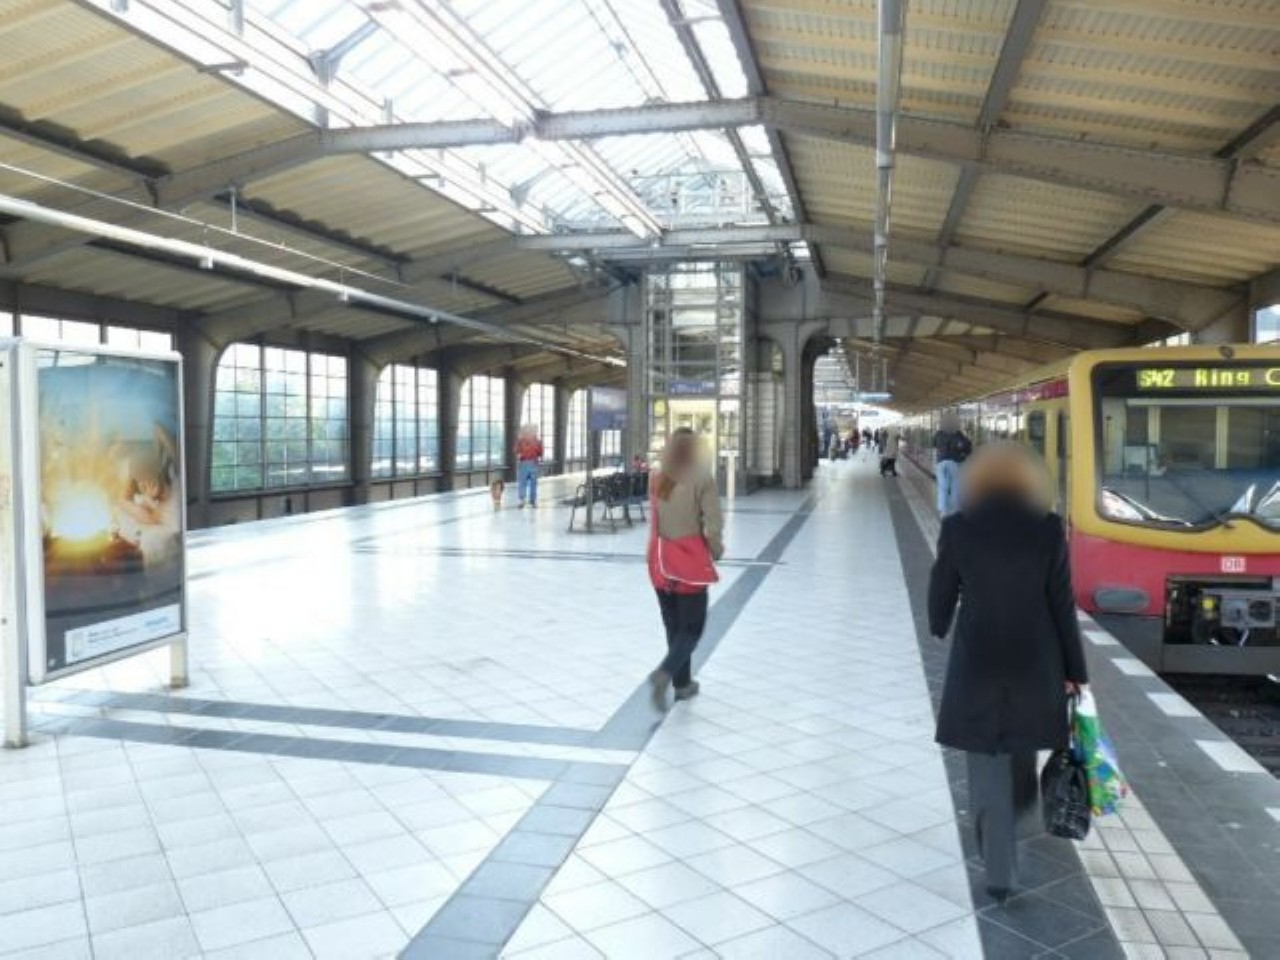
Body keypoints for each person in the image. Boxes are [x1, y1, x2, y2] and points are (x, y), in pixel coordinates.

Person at [928, 442, 1088, 901]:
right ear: (1029, 482)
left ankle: (999, 862)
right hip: (1035, 657)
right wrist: (1076, 670)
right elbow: (1062, 603)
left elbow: (941, 591)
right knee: (1021, 750)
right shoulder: (1048, 529)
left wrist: (939, 622)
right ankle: (1016, 813)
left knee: (985, 760)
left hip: (978, 657)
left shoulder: (958, 527)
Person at [647, 428, 723, 709]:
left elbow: (658, 518)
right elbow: (713, 523)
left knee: (674, 627)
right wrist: (715, 550)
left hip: (660, 564)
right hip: (688, 565)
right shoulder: (702, 478)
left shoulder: (661, 477)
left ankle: (682, 685)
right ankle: (665, 673)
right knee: (692, 629)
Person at [934, 413, 973, 517]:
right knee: (955, 487)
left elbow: (934, 444)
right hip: (954, 463)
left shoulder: (939, 434)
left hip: (940, 463)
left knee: (942, 487)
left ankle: (943, 511)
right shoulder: (958, 435)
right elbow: (967, 447)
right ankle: (955, 509)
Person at [514, 425, 543, 509]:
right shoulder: (535, 441)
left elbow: (516, 451)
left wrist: (520, 454)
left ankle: (525, 501)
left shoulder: (535, 441)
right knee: (529, 483)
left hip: (528, 462)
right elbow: (540, 453)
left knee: (525, 483)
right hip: (529, 462)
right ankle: (529, 501)